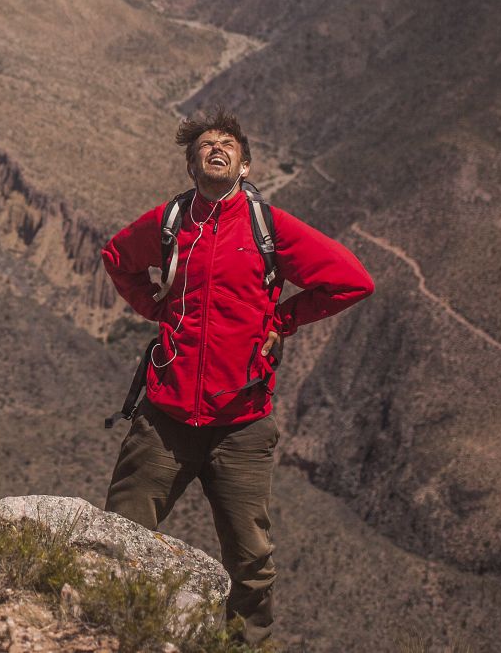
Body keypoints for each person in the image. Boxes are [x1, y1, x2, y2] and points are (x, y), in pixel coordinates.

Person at [100, 110, 374, 645]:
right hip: (165, 417)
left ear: (244, 166)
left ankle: (243, 645)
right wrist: (155, 308)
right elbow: (116, 257)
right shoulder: (170, 221)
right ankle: (112, 630)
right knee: (120, 534)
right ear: (192, 165)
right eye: (206, 145)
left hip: (241, 424)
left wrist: (282, 320)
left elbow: (353, 281)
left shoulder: (268, 227)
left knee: (250, 560)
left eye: (227, 144)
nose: (217, 149)